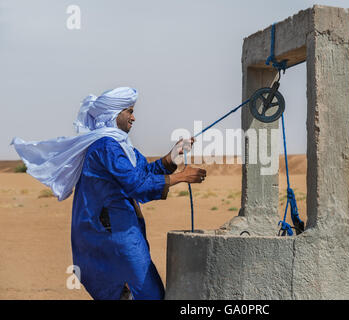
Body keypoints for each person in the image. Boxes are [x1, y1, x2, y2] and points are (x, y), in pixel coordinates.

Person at [11, 87, 206, 300]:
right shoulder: (106, 146)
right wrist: (180, 177)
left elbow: (142, 173)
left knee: (132, 293)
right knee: (149, 294)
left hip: (123, 229)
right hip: (113, 233)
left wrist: (172, 157)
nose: (133, 117)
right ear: (113, 115)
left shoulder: (121, 146)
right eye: (129, 111)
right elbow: (136, 184)